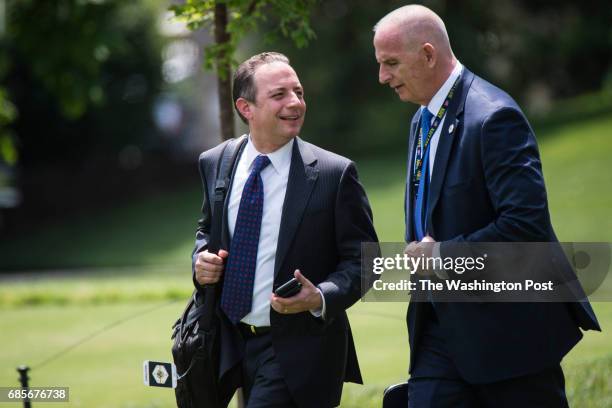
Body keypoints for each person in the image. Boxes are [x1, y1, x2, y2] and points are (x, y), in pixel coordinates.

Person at [373, 5, 600, 407]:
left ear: (428, 55)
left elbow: (524, 227)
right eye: (380, 64)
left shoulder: (494, 117)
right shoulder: (420, 121)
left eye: (391, 63)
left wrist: (442, 256)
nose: (383, 77)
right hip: (438, 332)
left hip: (509, 335)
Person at [192, 52, 378, 408]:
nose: (295, 103)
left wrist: (320, 296)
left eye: (299, 92)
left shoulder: (334, 174)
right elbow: (205, 232)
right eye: (280, 95)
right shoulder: (215, 161)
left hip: (298, 351)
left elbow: (366, 262)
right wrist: (200, 261)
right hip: (226, 344)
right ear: (246, 108)